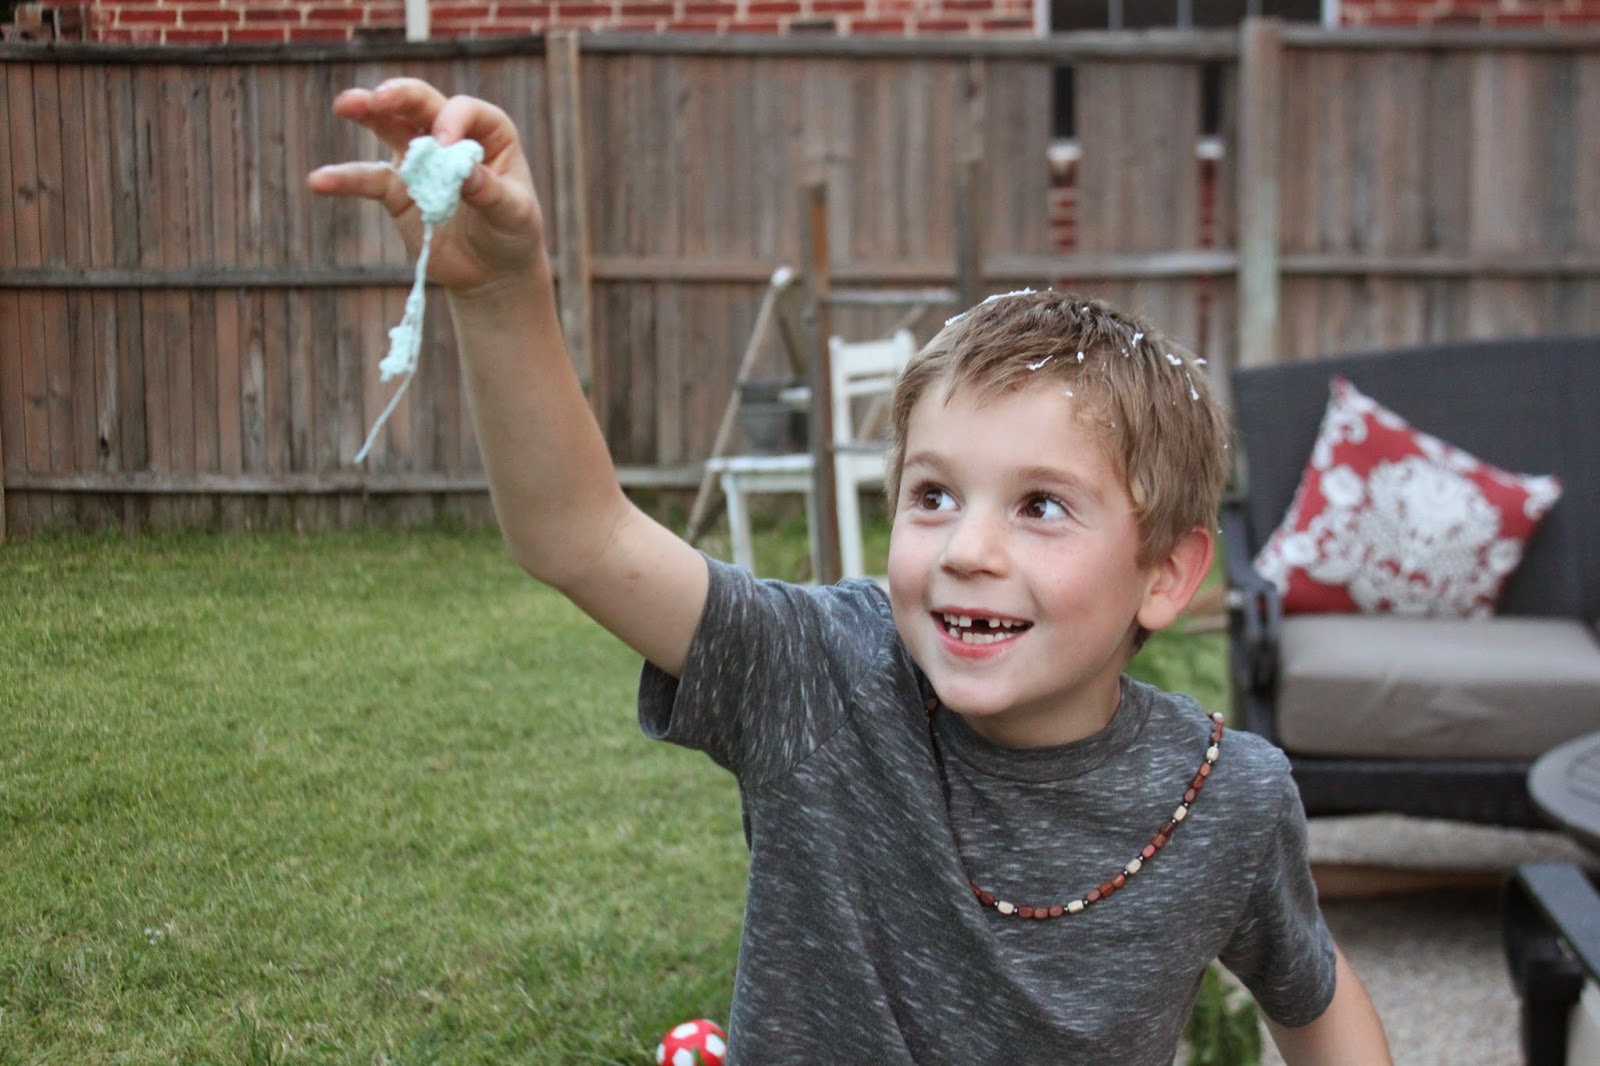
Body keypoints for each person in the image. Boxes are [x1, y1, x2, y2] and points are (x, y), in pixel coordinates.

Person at [309, 78, 1392, 1065]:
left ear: (1165, 573)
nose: (967, 549)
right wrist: (502, 293)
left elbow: (1315, 995)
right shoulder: (820, 676)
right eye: (934, 495)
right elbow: (577, 535)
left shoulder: (1226, 798)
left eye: (1040, 506)